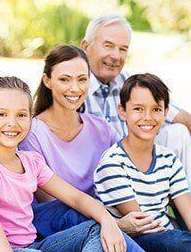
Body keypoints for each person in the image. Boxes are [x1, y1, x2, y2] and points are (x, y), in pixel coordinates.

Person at [0, 76, 149, 252]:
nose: (12, 123)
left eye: (21, 115)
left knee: (96, 229)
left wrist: (108, 220)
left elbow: (76, 198)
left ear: (31, 119)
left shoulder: (31, 162)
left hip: (35, 245)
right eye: (1, 114)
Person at [19, 44, 163, 240]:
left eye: (82, 80)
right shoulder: (32, 133)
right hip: (60, 224)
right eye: (64, 79)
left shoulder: (102, 129)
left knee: (163, 240)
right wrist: (114, 224)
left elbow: (124, 177)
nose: (75, 88)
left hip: (106, 215)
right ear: (47, 81)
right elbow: (53, 200)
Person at [80, 14, 191, 187]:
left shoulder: (134, 83)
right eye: (108, 46)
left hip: (142, 168)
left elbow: (182, 117)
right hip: (103, 180)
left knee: (179, 133)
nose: (116, 56)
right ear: (85, 47)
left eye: (123, 49)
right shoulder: (74, 90)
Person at [94, 73, 191, 252]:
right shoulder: (112, 163)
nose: (148, 117)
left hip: (173, 238)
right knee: (176, 243)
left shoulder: (168, 159)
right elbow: (143, 225)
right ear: (122, 111)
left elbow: (188, 213)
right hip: (138, 241)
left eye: (156, 109)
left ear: (165, 112)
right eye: (138, 109)